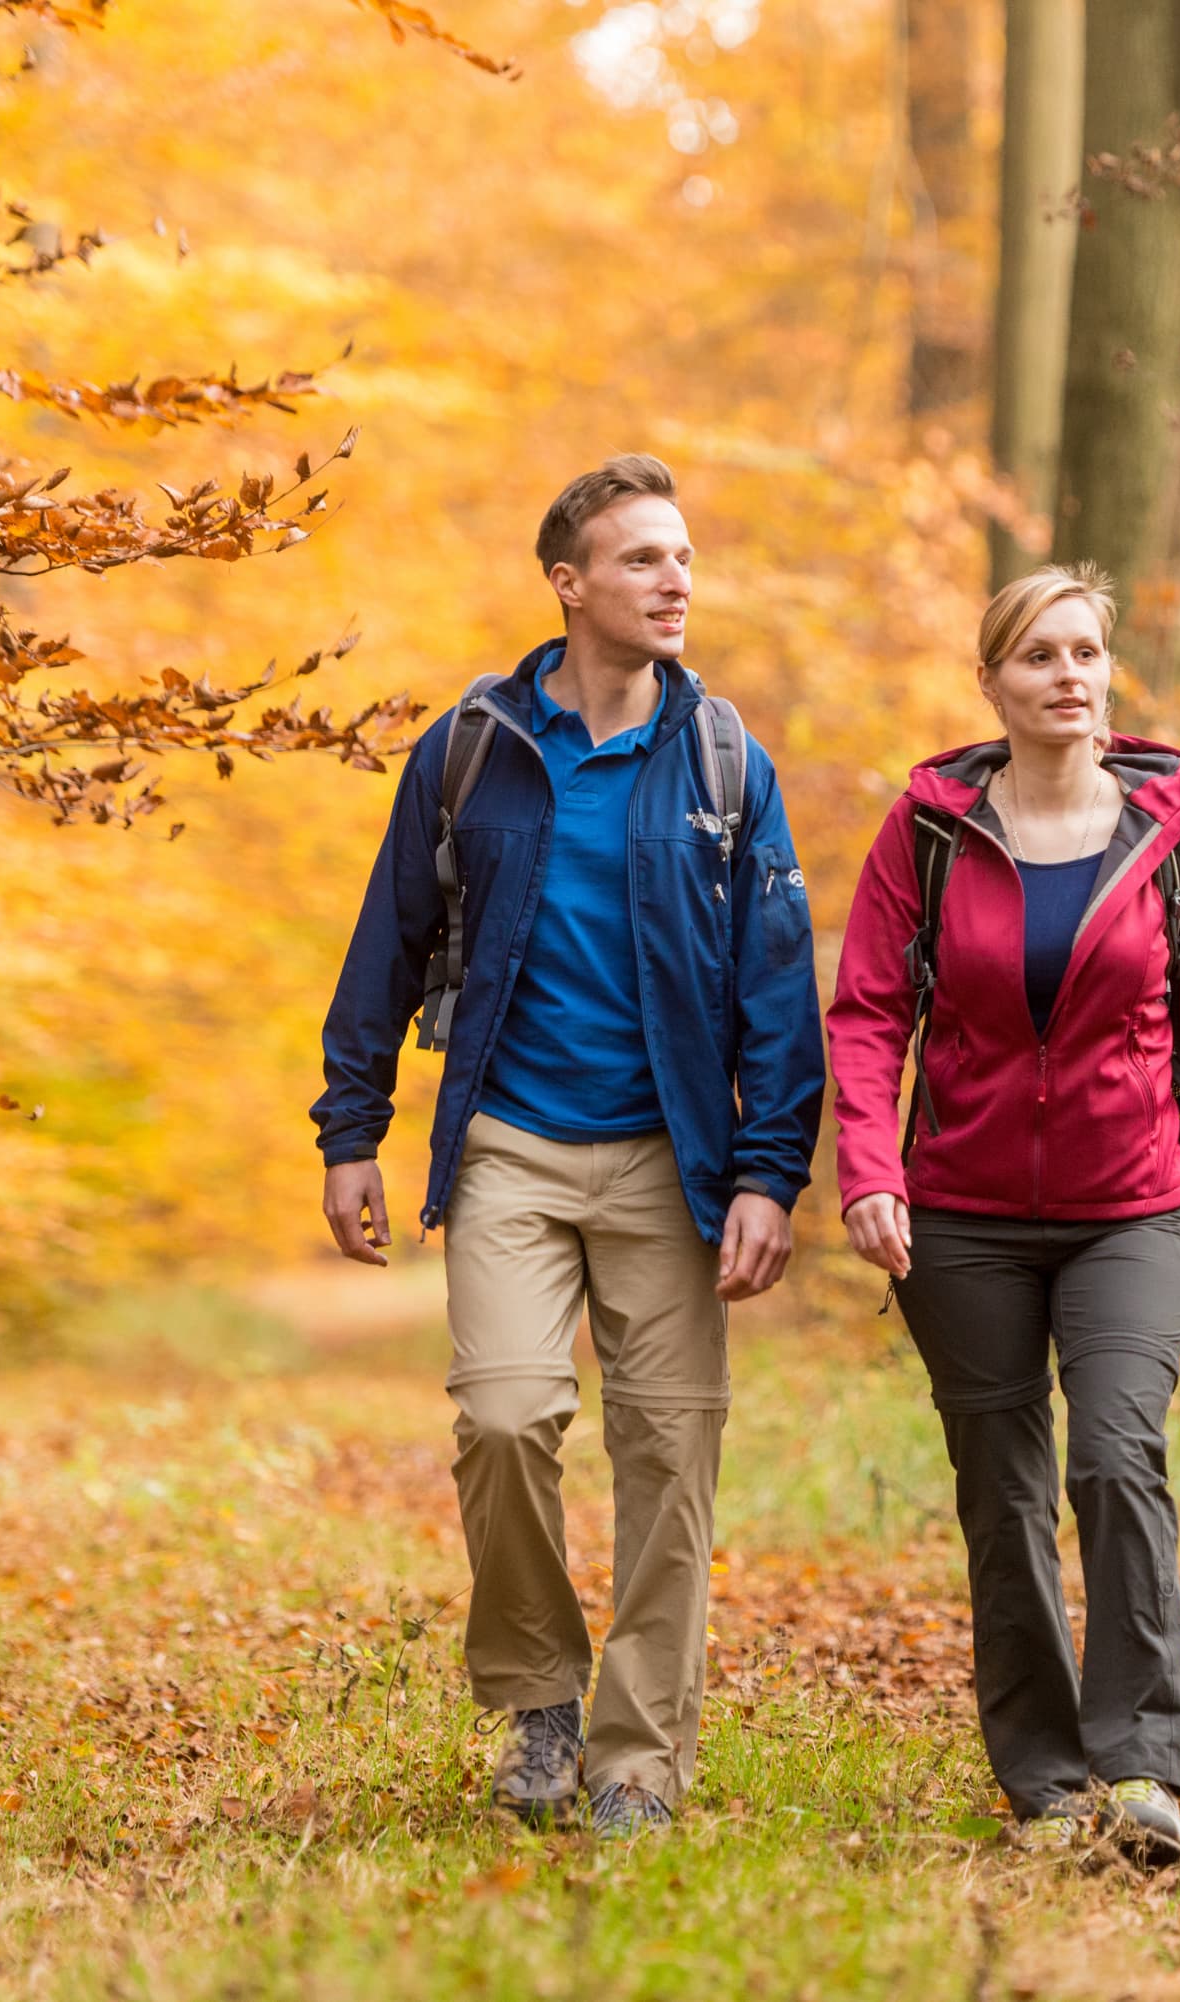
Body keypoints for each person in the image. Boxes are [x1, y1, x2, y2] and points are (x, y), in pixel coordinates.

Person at [312, 454, 824, 1838]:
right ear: (569, 581)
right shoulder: (474, 751)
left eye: (684, 558)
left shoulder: (724, 761)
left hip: (672, 1159)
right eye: (644, 558)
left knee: (670, 1455)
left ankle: (636, 1761)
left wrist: (772, 1170)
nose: (676, 581)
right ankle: (540, 1691)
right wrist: (350, 1127)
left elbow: (778, 986)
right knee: (503, 1415)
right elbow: (386, 947)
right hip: (510, 1152)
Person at [824, 564, 1180, 1867]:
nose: (1070, 674)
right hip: (958, 1217)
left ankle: (1142, 1765)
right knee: (1004, 1487)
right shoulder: (925, 831)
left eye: (1087, 651)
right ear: (995, 682)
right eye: (1040, 655)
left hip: (1132, 1208)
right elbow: (867, 1013)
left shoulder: (1175, 836)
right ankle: (1043, 1776)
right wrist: (870, 1166)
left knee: (1113, 1454)